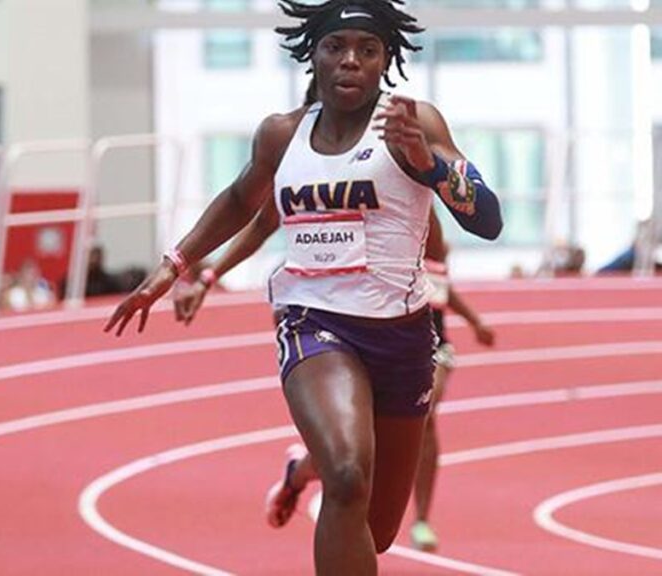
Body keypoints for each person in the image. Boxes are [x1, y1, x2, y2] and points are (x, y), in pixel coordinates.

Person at [106, 1, 502, 572]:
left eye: (368, 50)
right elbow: (245, 200)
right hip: (314, 322)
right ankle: (319, 469)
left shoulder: (411, 124)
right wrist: (177, 265)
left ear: (386, 60)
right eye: (336, 47)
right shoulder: (282, 134)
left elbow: (487, 220)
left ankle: (301, 472)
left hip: (403, 335)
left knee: (376, 529)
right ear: (312, 56)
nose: (350, 62)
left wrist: (428, 163)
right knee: (345, 475)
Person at [176, 208, 496, 551]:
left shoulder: (423, 220)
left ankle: (421, 520)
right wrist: (203, 275)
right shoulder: (334, 218)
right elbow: (258, 213)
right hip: (352, 335)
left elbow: (443, 285)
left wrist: (475, 321)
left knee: (420, 423)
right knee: (355, 455)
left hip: (428, 346)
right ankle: (299, 472)